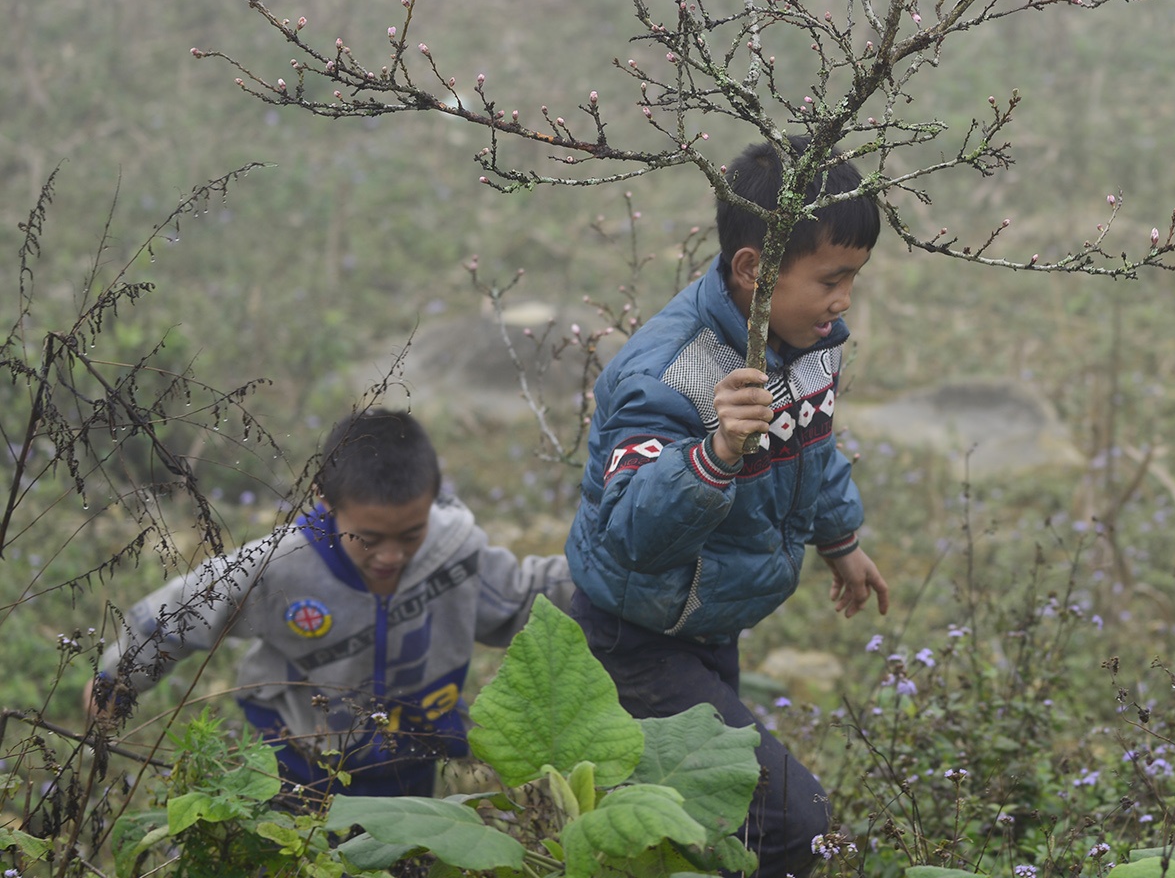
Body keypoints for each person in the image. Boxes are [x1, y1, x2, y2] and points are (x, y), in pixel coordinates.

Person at [568, 138, 890, 878]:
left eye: (854, 280)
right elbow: (633, 538)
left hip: (709, 618)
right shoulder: (664, 375)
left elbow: (813, 442)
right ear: (754, 269)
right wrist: (713, 457)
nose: (844, 302)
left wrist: (840, 538)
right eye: (832, 279)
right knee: (791, 824)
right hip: (636, 637)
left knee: (707, 827)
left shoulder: (807, 338)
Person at [90, 409, 573, 798]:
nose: (391, 556)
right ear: (325, 501)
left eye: (410, 535)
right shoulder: (279, 565)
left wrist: (609, 582)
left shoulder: (455, 552)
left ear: (431, 501)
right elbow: (183, 610)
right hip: (296, 762)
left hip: (412, 762)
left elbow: (526, 597)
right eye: (369, 537)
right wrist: (118, 680)